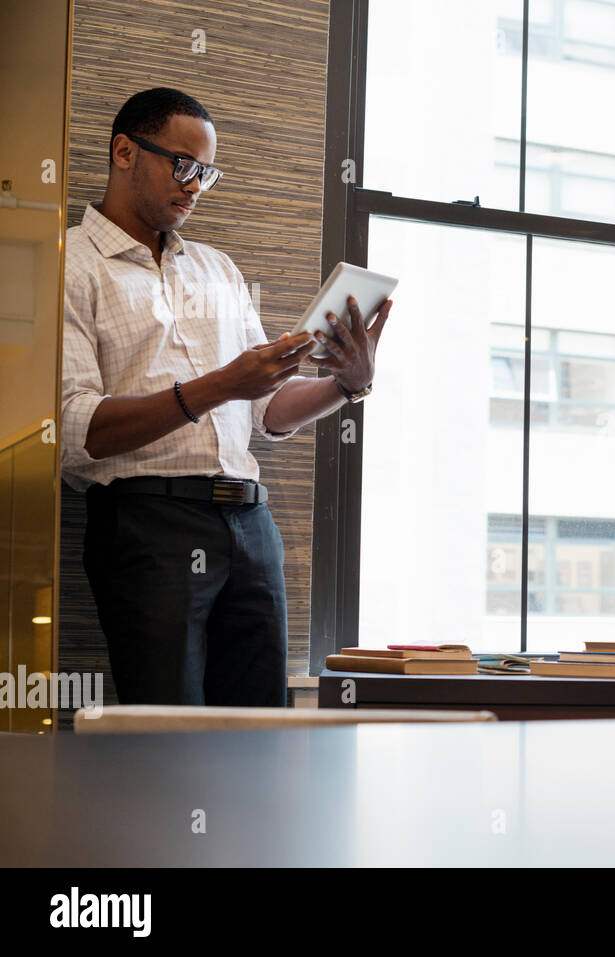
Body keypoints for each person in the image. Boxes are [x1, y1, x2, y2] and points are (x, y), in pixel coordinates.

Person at [61, 87, 392, 706]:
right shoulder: (71, 265)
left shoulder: (219, 269)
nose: (193, 186)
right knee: (167, 732)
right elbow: (76, 432)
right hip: (147, 523)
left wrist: (346, 384)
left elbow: (266, 410)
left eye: (205, 173)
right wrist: (222, 385)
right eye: (181, 165)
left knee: (260, 725)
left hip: (250, 521)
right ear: (124, 152)